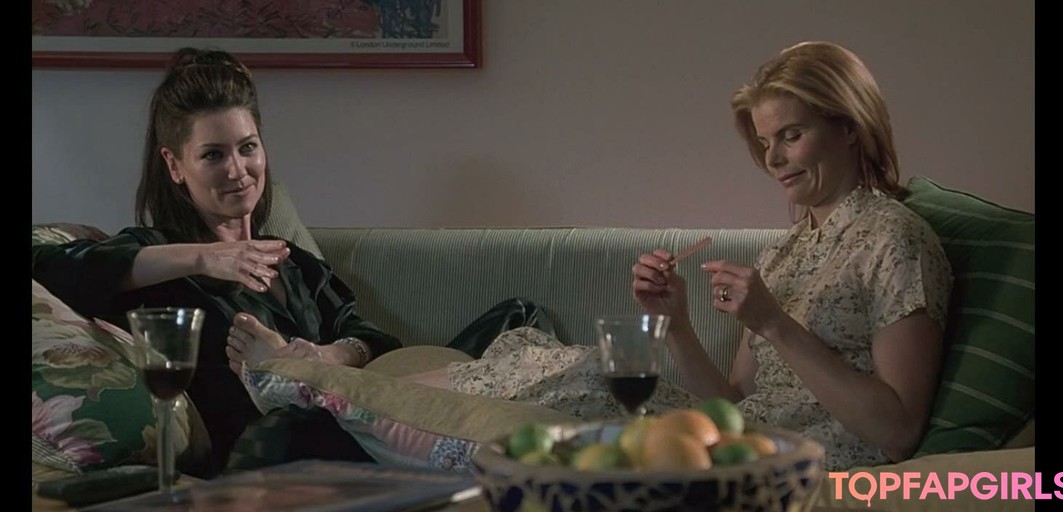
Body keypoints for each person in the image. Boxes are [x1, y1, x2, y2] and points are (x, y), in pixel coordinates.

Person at [406, 41, 953, 472]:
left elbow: (898, 431)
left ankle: (368, 405)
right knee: (546, 355)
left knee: (589, 375)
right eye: (765, 142)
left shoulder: (894, 239)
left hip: (796, 461)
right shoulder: (788, 248)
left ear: (849, 128)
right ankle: (376, 405)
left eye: (791, 135)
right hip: (737, 439)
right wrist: (675, 324)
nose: (773, 159)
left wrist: (775, 324)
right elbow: (732, 404)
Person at [31, 47, 403, 477]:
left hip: (353, 426)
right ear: (174, 165)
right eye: (213, 155)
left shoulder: (293, 261)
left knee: (479, 335)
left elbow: (374, 338)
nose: (238, 170)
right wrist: (203, 257)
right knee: (292, 428)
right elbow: (48, 266)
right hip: (267, 454)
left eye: (248, 148)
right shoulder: (160, 264)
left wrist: (324, 357)